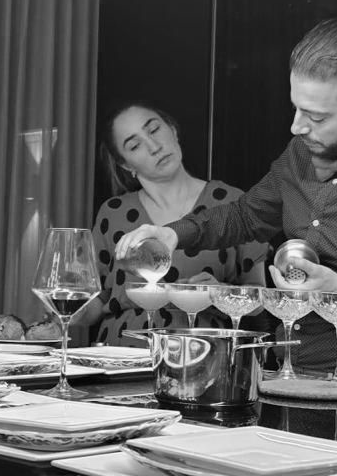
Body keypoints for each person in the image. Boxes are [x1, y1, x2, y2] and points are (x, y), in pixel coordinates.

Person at [115, 19, 337, 380]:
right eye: (296, 108)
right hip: (284, 375)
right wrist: (172, 234)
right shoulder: (301, 152)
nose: (296, 126)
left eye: (315, 117)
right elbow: (245, 216)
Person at [89, 102, 267, 344]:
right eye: (134, 145)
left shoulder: (232, 203)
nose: (154, 147)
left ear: (172, 129)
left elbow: (259, 300)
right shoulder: (113, 213)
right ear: (126, 164)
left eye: (154, 129)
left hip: (205, 351)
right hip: (123, 352)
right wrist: (60, 312)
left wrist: (220, 294)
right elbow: (96, 302)